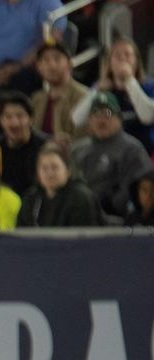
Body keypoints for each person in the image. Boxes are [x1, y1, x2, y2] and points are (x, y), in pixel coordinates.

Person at [71, 91, 153, 219]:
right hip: (78, 216)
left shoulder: (132, 149)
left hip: (117, 219)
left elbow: (140, 188)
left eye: (108, 114)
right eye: (96, 114)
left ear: (119, 119)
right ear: (89, 120)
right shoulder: (77, 150)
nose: (102, 120)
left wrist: (111, 205)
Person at [69, 38, 154, 153]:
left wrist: (129, 81)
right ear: (109, 62)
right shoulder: (100, 89)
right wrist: (97, 91)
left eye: (128, 55)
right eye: (117, 55)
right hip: (107, 153)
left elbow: (147, 117)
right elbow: (76, 120)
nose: (123, 59)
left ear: (136, 61)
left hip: (143, 152)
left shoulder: (149, 86)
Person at [16, 141, 101, 228]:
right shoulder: (31, 198)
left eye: (54, 167)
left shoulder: (80, 197)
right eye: (44, 168)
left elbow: (83, 237)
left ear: (67, 170)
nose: (49, 173)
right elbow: (21, 233)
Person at [30, 43, 89, 142]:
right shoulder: (36, 99)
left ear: (70, 64)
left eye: (57, 59)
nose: (51, 65)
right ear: (39, 67)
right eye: (46, 60)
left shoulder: (84, 96)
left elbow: (83, 139)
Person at [0, 92, 47, 195]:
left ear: (31, 119)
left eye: (20, 116)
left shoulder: (45, 147)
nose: (14, 123)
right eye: (8, 117)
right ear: (1, 120)